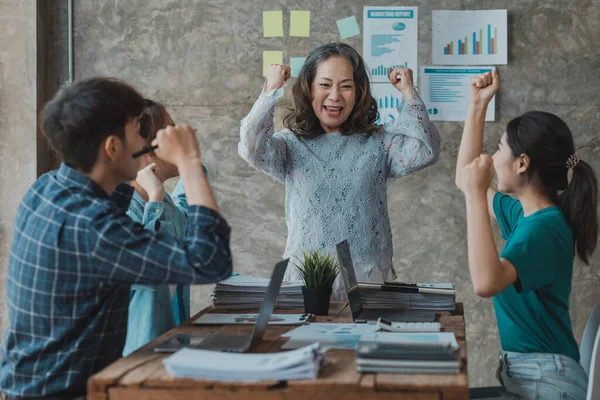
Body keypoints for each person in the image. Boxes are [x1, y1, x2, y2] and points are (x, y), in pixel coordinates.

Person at [0, 78, 232, 400]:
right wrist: (189, 162)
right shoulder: (95, 227)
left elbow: (116, 196)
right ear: (112, 147)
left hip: (27, 386)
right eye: (140, 131)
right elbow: (211, 261)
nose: (148, 140)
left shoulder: (48, 189)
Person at [239, 42, 440, 299]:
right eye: (325, 85)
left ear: (358, 92)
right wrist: (270, 90)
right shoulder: (290, 144)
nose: (335, 95)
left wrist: (408, 93)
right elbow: (251, 148)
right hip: (305, 283)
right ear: (309, 89)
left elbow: (424, 151)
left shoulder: (378, 142)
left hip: (368, 283)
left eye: (346, 86)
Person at [455, 69, 594, 399]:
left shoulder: (545, 229)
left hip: (548, 383)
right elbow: (465, 179)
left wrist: (477, 195)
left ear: (521, 163)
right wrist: (477, 106)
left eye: (500, 147)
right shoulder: (526, 215)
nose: (492, 156)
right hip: (532, 376)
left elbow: (486, 283)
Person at [123, 99, 204, 356]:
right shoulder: (121, 210)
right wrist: (155, 198)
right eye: (168, 132)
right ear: (144, 148)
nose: (176, 140)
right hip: (134, 359)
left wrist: (191, 167)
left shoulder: (165, 203)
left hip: (169, 349)